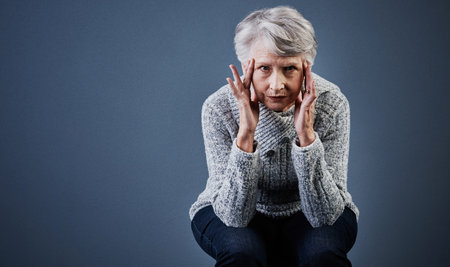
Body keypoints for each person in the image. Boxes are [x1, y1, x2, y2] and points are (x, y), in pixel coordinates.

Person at [189, 6, 359, 267]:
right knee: (241, 253)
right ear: (248, 67)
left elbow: (325, 216)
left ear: (306, 68)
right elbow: (234, 216)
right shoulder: (219, 107)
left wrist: (306, 136)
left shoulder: (331, 103)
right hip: (228, 205)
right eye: (265, 68)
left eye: (289, 68)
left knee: (322, 254)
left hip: (312, 208)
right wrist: (246, 133)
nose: (277, 85)